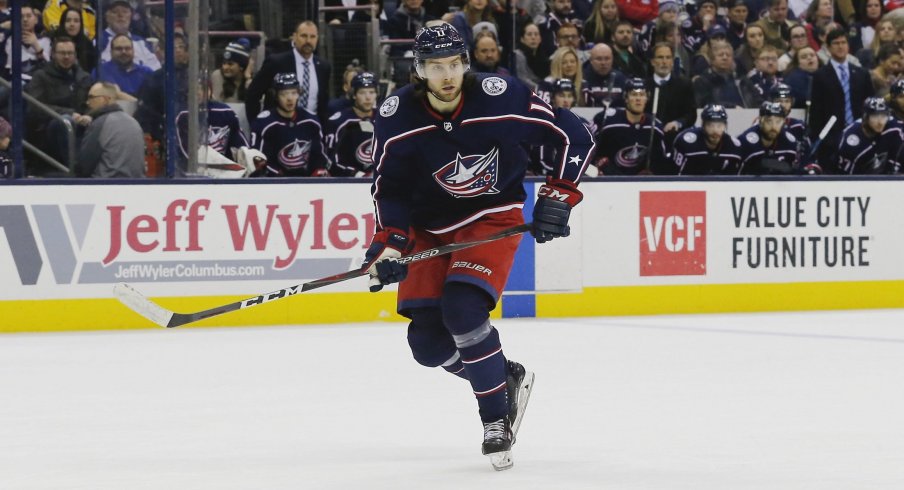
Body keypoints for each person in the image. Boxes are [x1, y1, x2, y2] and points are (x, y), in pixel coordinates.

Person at [364, 23, 593, 470]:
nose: (447, 75)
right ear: (419, 71)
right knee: (427, 344)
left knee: (464, 312)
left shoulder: (500, 97)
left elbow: (575, 133)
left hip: (490, 219)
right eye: (435, 66)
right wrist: (389, 246)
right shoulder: (397, 117)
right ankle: (501, 376)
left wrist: (559, 196)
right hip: (428, 228)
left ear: (465, 64)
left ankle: (495, 421)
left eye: (454, 64)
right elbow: (387, 187)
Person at [246, 21, 332, 124]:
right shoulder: (276, 62)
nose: (308, 41)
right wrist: (256, 124)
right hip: (278, 129)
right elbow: (253, 94)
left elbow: (323, 104)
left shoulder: (323, 67)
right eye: (303, 36)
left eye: (312, 36)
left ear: (317, 39)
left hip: (311, 129)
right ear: (294, 37)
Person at [809, 28, 874, 165]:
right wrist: (820, 138)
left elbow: (869, 104)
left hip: (861, 134)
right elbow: (816, 111)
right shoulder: (820, 75)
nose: (840, 46)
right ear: (828, 47)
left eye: (843, 42)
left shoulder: (862, 74)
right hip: (831, 138)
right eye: (836, 43)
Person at [249, 73, 330, 177]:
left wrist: (319, 169)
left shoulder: (311, 120)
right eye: (284, 94)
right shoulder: (264, 123)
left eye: (294, 93)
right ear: (275, 96)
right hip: (274, 183)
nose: (290, 98)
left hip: (307, 182)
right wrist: (279, 176)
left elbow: (319, 155)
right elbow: (258, 159)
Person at [592, 77, 669, 174]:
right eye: (634, 94)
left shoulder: (655, 126)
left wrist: (652, 171)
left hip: (639, 183)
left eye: (642, 94)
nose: (638, 99)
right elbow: (588, 146)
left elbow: (661, 160)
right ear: (626, 98)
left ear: (647, 98)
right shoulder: (606, 120)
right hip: (608, 180)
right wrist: (598, 164)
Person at [75, 81, 145, 178]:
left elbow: (84, 166)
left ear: (104, 99)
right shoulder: (134, 122)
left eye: (91, 97)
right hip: (136, 185)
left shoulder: (100, 123)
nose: (87, 102)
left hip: (105, 186)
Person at [529, 78, 591, 175]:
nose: (566, 100)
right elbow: (542, 162)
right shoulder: (545, 122)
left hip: (571, 178)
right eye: (561, 95)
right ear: (553, 98)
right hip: (546, 177)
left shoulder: (583, 124)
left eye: (569, 96)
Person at [324, 71, 378, 177]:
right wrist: (358, 175)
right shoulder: (338, 122)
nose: (368, 97)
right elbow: (331, 162)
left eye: (371, 92)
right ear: (354, 95)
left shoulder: (385, 119)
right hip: (349, 182)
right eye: (362, 93)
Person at [836, 97, 904, 174]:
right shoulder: (851, 141)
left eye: (883, 116)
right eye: (875, 116)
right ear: (865, 117)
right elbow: (845, 179)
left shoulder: (893, 127)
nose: (880, 122)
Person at [647, 42, 697, 144]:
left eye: (668, 57)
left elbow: (691, 114)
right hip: (648, 138)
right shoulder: (645, 86)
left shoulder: (684, 85)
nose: (664, 61)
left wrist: (678, 123)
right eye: (660, 57)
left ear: (672, 61)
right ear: (652, 61)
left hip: (675, 139)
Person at [672, 104, 743, 175]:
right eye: (710, 125)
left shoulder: (733, 147)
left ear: (725, 126)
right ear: (703, 125)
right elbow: (674, 175)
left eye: (719, 126)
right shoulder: (686, 143)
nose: (715, 130)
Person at [738, 101, 800, 174]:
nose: (773, 126)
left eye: (778, 121)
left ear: (783, 122)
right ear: (760, 120)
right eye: (769, 121)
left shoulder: (789, 142)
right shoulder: (745, 142)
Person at [98, 0, 160, 70]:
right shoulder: (98, 42)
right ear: (106, 16)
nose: (120, 15)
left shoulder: (141, 43)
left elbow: (155, 70)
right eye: (115, 12)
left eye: (125, 12)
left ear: (131, 16)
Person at [3, 5, 51, 81]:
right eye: (21, 16)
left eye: (29, 16)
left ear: (36, 20)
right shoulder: (10, 40)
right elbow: (8, 70)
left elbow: (49, 68)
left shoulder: (45, 40)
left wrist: (36, 45)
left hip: (38, 83)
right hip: (15, 82)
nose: (25, 19)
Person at [694, 40, 747, 107]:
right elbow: (705, 104)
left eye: (728, 55)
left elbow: (755, 101)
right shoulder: (702, 82)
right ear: (712, 59)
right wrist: (731, 107)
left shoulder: (741, 80)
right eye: (720, 55)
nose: (725, 58)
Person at [580, 43, 626, 108]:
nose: (603, 63)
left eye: (607, 58)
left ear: (612, 59)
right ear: (591, 60)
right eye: (599, 59)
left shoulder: (621, 78)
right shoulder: (583, 78)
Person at [210, 38, 252, 103]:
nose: (225, 67)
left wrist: (248, 77)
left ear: (241, 66)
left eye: (230, 64)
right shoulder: (218, 75)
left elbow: (253, 102)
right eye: (224, 63)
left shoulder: (250, 80)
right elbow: (218, 103)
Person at [55, 8, 96, 72]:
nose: (72, 24)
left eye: (76, 21)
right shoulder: (53, 39)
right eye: (68, 20)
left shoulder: (87, 44)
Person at [513, 23, 550, 90]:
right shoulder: (518, 55)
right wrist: (539, 88)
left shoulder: (544, 57)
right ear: (522, 39)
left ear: (540, 39)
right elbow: (522, 78)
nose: (533, 37)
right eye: (529, 34)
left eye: (536, 34)